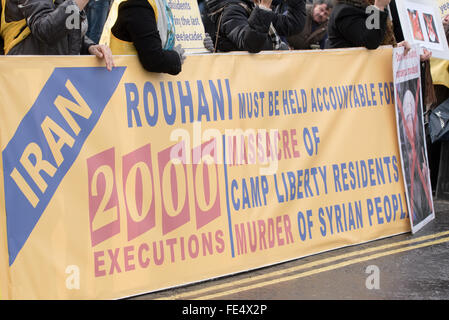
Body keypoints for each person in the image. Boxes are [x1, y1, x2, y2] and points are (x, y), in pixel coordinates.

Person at [0, 0, 114, 70]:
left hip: (57, 78)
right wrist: (79, 3)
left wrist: (89, 47)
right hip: (31, 80)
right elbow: (45, 31)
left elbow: (64, 30)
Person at [106, 0, 186, 75]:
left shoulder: (155, 3)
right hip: (125, 80)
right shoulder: (138, 5)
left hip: (137, 83)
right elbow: (153, 59)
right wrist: (176, 58)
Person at [206, 0, 306, 53]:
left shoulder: (251, 6)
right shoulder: (231, 10)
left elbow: (292, 24)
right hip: (243, 85)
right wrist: (264, 7)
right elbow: (250, 43)